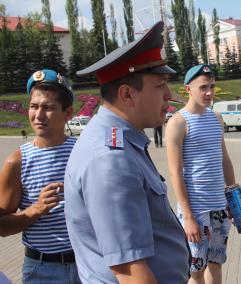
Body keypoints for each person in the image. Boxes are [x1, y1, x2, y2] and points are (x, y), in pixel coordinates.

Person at [64, 21, 190, 283]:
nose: (169, 95)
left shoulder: (120, 141)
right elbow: (129, 270)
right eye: (160, 85)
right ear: (127, 95)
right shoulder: (110, 159)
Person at [0, 69, 81, 283]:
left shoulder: (83, 151)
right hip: (43, 270)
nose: (38, 115)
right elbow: (2, 226)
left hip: (88, 264)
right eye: (34, 107)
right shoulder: (17, 161)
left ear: (68, 113)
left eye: (49, 108)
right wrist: (35, 210)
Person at [165, 64, 236, 284]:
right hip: (196, 211)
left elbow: (224, 160)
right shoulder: (178, 122)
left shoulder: (216, 118)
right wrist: (187, 217)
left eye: (212, 87)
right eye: (203, 87)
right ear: (188, 89)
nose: (209, 93)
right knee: (196, 270)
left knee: (215, 263)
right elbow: (175, 173)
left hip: (219, 208)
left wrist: (234, 198)